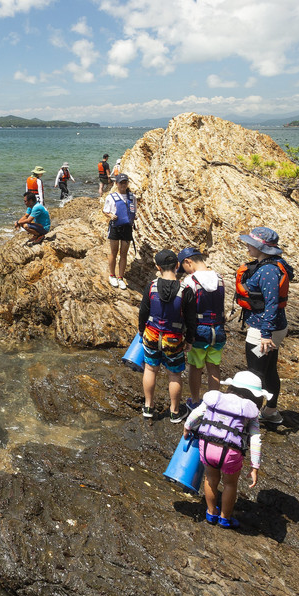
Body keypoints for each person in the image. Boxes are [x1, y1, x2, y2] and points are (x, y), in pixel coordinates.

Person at [183, 371, 269, 529]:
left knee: (210, 479)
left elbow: (196, 414)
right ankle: (225, 518)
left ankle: (210, 512)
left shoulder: (216, 398)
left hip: (207, 446)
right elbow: (255, 439)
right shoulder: (250, 411)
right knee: (230, 485)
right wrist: (254, 466)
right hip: (231, 452)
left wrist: (187, 428)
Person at [235, 227, 294, 426]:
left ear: (261, 247)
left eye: (251, 243)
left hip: (264, 329)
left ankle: (249, 417)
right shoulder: (272, 264)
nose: (247, 246)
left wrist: (266, 333)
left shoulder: (268, 270)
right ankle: (270, 411)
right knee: (268, 371)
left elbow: (271, 303)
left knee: (255, 374)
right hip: (273, 327)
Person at [138, 250, 196, 422]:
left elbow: (143, 312)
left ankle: (148, 406)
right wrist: (190, 340)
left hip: (152, 335)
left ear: (158, 267)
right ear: (177, 266)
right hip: (174, 339)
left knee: (150, 369)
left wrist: (141, 330)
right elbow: (191, 319)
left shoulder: (151, 286)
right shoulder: (186, 290)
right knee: (175, 375)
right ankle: (175, 412)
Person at [178, 247, 227, 404]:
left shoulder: (190, 281)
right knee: (214, 367)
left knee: (195, 367)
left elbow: (186, 309)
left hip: (200, 330)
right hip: (218, 330)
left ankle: (195, 400)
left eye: (184, 267)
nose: (184, 271)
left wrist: (186, 334)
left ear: (188, 262)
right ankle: (213, 403)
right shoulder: (219, 278)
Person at [103, 174, 136, 289]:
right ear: (116, 184)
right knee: (114, 252)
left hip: (127, 228)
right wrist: (111, 215)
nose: (123, 185)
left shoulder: (132, 197)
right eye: (121, 182)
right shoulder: (111, 197)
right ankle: (112, 275)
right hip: (115, 228)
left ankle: (120, 277)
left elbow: (134, 212)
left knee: (124, 253)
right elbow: (105, 210)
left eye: (125, 182)